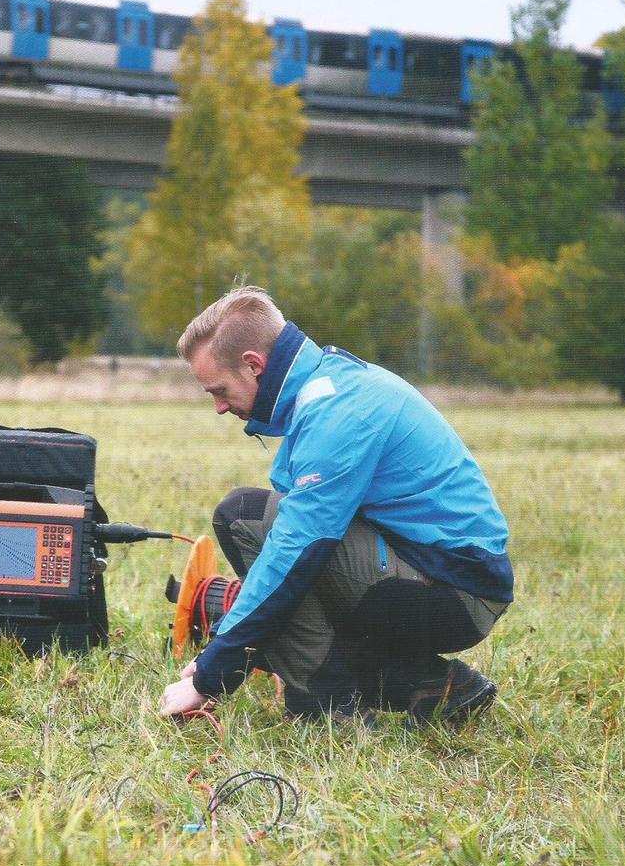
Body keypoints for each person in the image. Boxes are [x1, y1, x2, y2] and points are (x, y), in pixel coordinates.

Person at [160, 286, 513, 725]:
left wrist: (210, 674)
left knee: (242, 518)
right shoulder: (327, 386)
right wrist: (237, 643)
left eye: (219, 389)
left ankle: (326, 710)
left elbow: (295, 552)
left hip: (455, 591)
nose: (217, 407)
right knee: (272, 608)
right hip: (445, 579)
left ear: (254, 365)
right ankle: (435, 686)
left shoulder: (337, 411)